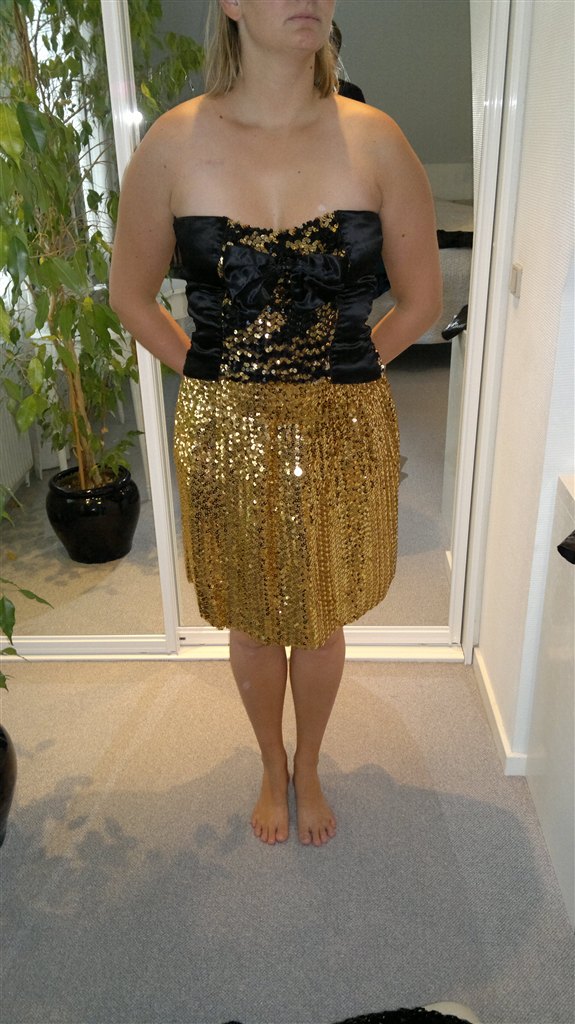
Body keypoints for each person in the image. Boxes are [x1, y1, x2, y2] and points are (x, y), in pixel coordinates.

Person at [109, 0, 441, 849]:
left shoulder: (376, 139)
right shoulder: (172, 143)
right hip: (226, 430)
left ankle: (311, 764)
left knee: (321, 613)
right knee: (254, 617)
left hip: (343, 427)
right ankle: (269, 763)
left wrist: (345, 368)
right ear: (230, 3)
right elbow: (130, 296)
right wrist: (212, 375)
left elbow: (420, 302)